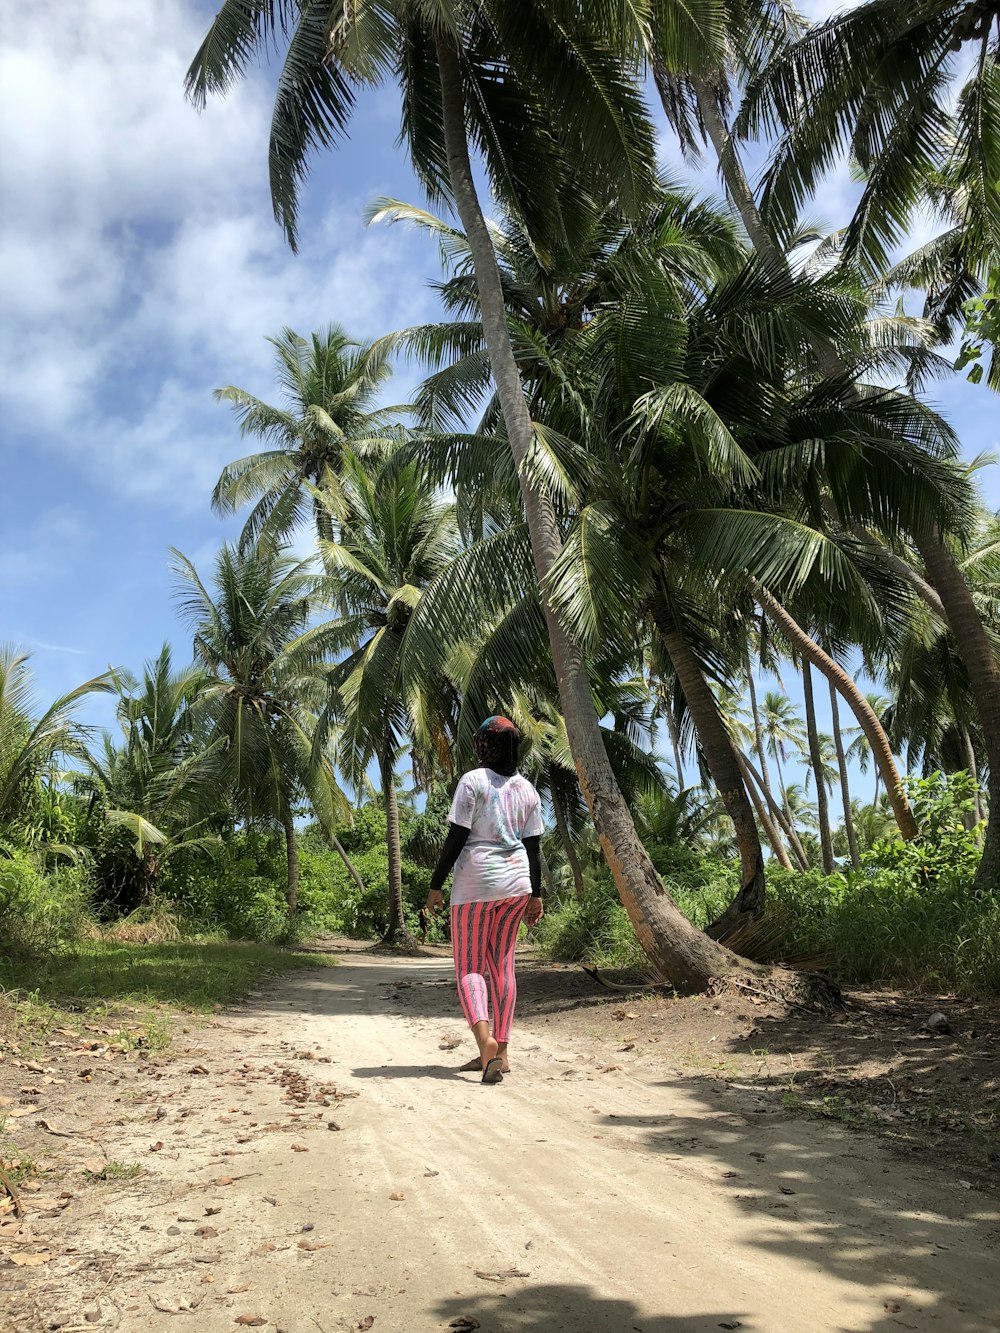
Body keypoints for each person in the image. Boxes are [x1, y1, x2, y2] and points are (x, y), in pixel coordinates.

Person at [425, 716, 544, 1084]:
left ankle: (484, 1042)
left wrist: (435, 885)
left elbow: (457, 837)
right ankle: (502, 1053)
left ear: (484, 745)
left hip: (476, 885)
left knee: (470, 967)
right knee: (503, 966)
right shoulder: (528, 790)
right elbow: (534, 848)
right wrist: (536, 895)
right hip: (516, 883)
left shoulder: (472, 781)